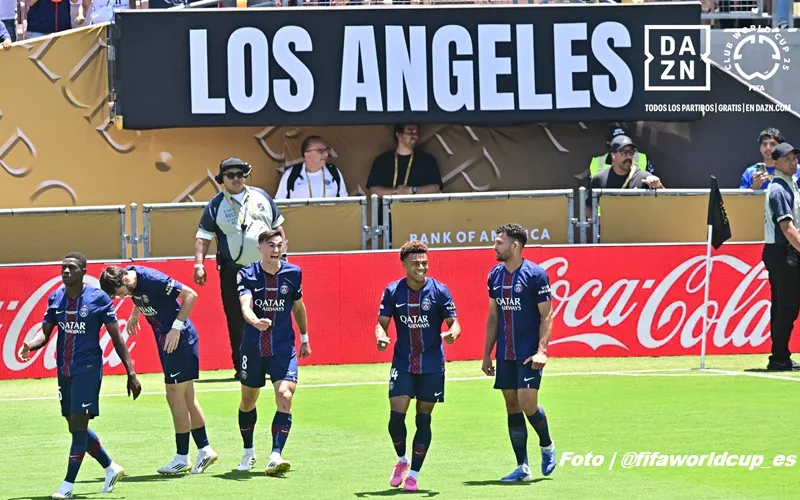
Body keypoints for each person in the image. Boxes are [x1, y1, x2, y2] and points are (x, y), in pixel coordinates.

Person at [17, 252, 142, 499]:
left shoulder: (98, 298)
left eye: (71, 268)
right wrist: (30, 345)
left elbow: (117, 338)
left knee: (79, 425)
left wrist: (131, 372)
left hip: (88, 370)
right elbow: (46, 332)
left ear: (83, 272)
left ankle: (68, 485)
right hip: (64, 369)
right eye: (63, 268)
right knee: (74, 427)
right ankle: (110, 467)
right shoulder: (56, 298)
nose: (65, 272)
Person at [99, 265, 220, 475]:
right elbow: (139, 295)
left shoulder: (154, 279)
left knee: (174, 396)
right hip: (167, 340)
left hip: (179, 340)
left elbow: (191, 295)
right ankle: (205, 450)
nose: (121, 298)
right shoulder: (130, 279)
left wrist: (176, 327)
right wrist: (135, 314)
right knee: (188, 397)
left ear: (125, 281)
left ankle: (182, 458)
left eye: (120, 294)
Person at [375, 240, 461, 492]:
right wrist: (380, 336)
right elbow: (381, 322)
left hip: (432, 364)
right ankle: (402, 460)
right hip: (402, 362)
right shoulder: (392, 291)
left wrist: (454, 332)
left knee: (423, 420)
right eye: (415, 263)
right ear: (404, 264)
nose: (421, 267)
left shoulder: (440, 291)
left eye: (424, 262)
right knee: (395, 418)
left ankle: (413, 474)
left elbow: (454, 322)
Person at [195, 157, 286, 380]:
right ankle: (243, 366)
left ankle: (271, 364)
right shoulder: (216, 204)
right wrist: (199, 264)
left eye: (240, 174)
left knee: (270, 314)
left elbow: (278, 228)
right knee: (237, 318)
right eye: (230, 176)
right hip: (234, 270)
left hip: (266, 268)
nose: (236, 179)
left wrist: (282, 256)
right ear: (222, 180)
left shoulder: (262, 197)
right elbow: (203, 237)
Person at [481, 224, 556, 482]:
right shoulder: (494, 276)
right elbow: (493, 317)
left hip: (528, 353)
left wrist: (542, 351)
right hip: (505, 353)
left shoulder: (536, 275)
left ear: (515, 246)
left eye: (499, 242)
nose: (495, 247)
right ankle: (522, 467)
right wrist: (486, 354)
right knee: (511, 405)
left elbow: (547, 316)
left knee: (527, 403)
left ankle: (546, 444)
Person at [236, 229, 311, 475]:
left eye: (279, 245)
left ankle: (276, 455)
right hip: (253, 348)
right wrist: (255, 321)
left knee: (285, 395)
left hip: (282, 347)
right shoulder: (246, 274)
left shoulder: (293, 273)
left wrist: (304, 337)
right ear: (260, 248)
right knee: (248, 399)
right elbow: (245, 306)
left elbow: (298, 308)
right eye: (270, 245)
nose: (276, 250)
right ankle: (248, 451)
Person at [763, 142, 800, 371]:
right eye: (788, 159)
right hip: (783, 253)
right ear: (775, 163)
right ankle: (778, 357)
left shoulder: (790, 184)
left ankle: (780, 355)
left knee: (784, 306)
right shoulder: (779, 189)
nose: (793, 162)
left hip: (786, 252)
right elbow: (787, 229)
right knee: (785, 307)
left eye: (795, 158)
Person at [274, 135, 348, 199]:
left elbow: (345, 204)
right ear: (307, 153)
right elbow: (279, 205)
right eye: (320, 150)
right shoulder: (291, 174)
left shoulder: (334, 172)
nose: (326, 154)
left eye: (326, 150)